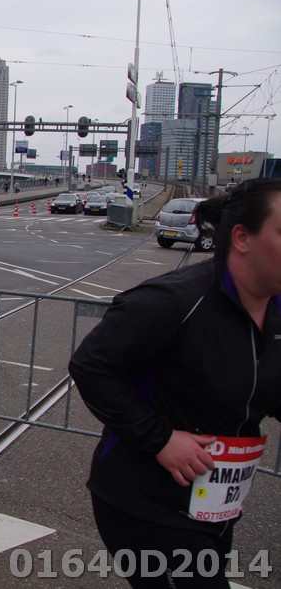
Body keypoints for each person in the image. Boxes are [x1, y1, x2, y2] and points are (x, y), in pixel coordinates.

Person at [68, 178, 281, 588]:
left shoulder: (276, 313)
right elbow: (91, 365)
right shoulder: (175, 301)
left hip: (216, 507)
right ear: (242, 238)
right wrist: (161, 439)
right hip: (144, 507)